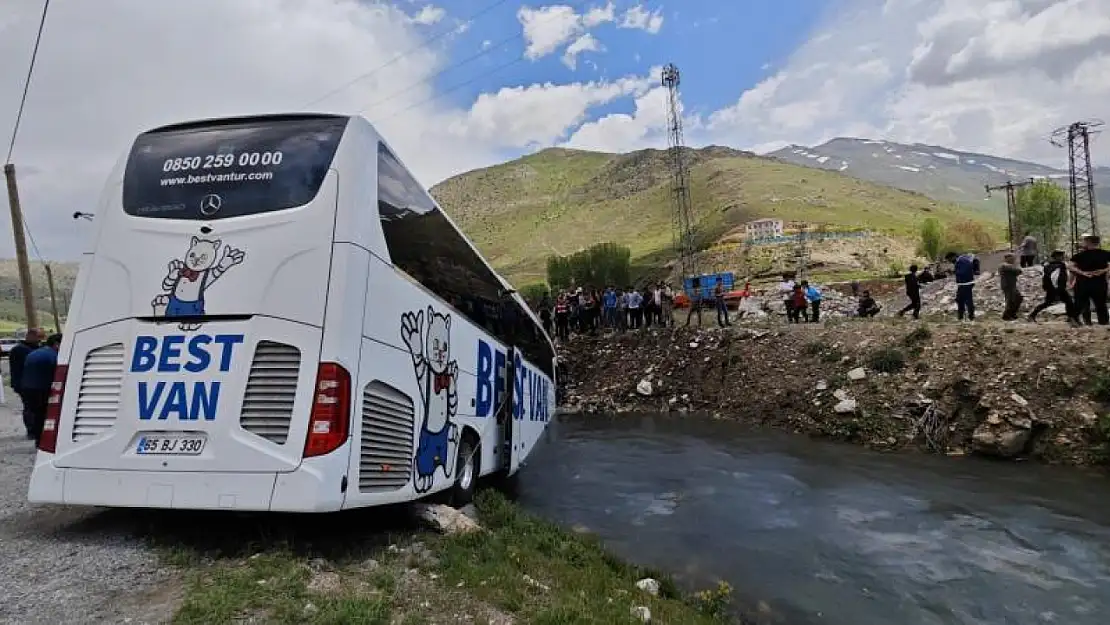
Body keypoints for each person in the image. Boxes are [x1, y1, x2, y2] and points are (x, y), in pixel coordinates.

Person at [22, 333, 62, 446]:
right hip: (43, 389)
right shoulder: (54, 356)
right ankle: (43, 441)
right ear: (56, 344)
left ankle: (37, 438)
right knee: (46, 415)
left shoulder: (33, 353)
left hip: (27, 387)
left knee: (35, 414)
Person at [1068, 234, 1110, 326]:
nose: (1083, 243)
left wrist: (1082, 273)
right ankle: (1104, 323)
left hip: (1083, 282)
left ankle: (1076, 320)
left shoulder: (1079, 256)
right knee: (1101, 304)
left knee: (1080, 303)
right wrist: (1103, 271)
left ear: (1088, 242)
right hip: (1099, 283)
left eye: (1084, 241)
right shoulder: (1106, 254)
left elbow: (1070, 266)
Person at [8, 328, 42, 439]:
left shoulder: (25, 349)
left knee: (31, 407)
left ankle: (34, 429)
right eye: (38, 337)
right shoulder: (21, 350)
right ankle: (32, 430)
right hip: (24, 384)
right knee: (29, 407)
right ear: (31, 336)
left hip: (26, 383)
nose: (39, 340)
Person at [1029, 249, 1078, 325]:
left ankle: (1071, 318)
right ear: (1056, 256)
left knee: (1062, 302)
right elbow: (1055, 277)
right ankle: (1071, 319)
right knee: (1067, 302)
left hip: (1052, 288)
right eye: (1061, 256)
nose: (1062, 257)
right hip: (1058, 288)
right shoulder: (1060, 266)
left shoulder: (1048, 266)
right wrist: (1059, 288)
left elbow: (1046, 278)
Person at [945, 251, 977, 321]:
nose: (950, 261)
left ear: (953, 256)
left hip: (966, 284)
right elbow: (961, 270)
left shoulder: (962, 260)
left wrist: (955, 272)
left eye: (949, 260)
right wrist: (952, 272)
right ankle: (962, 316)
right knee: (960, 300)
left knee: (968, 301)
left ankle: (970, 317)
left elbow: (964, 271)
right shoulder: (961, 260)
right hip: (963, 284)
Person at [998, 253, 1024, 321]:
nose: (1013, 260)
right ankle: (1006, 316)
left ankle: (1012, 314)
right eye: (1012, 258)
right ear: (1007, 258)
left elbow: (1018, 272)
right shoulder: (1003, 265)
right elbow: (1018, 270)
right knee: (1010, 301)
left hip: (1012, 285)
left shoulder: (1010, 266)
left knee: (1018, 298)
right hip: (1007, 285)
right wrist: (1016, 267)